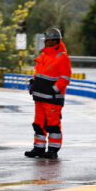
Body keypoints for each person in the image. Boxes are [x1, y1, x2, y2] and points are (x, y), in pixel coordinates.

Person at [25, 26, 72, 159]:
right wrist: (33, 83)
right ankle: (38, 149)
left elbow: (65, 78)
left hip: (52, 99)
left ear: (55, 41)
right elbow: (39, 73)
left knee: (53, 125)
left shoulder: (62, 57)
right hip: (39, 97)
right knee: (39, 124)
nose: (45, 42)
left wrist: (53, 90)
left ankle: (53, 150)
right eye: (45, 40)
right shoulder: (44, 55)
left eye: (47, 40)